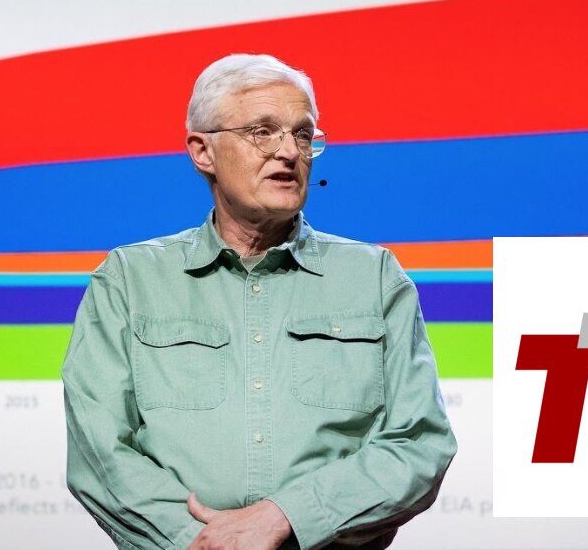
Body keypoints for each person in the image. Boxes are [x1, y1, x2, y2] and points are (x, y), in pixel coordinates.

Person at [62, 53, 456, 550]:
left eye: (303, 134)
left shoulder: (374, 277)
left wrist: (285, 517)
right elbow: (100, 451)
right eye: (262, 132)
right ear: (203, 151)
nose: (289, 151)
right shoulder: (129, 279)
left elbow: (418, 443)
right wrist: (204, 542)